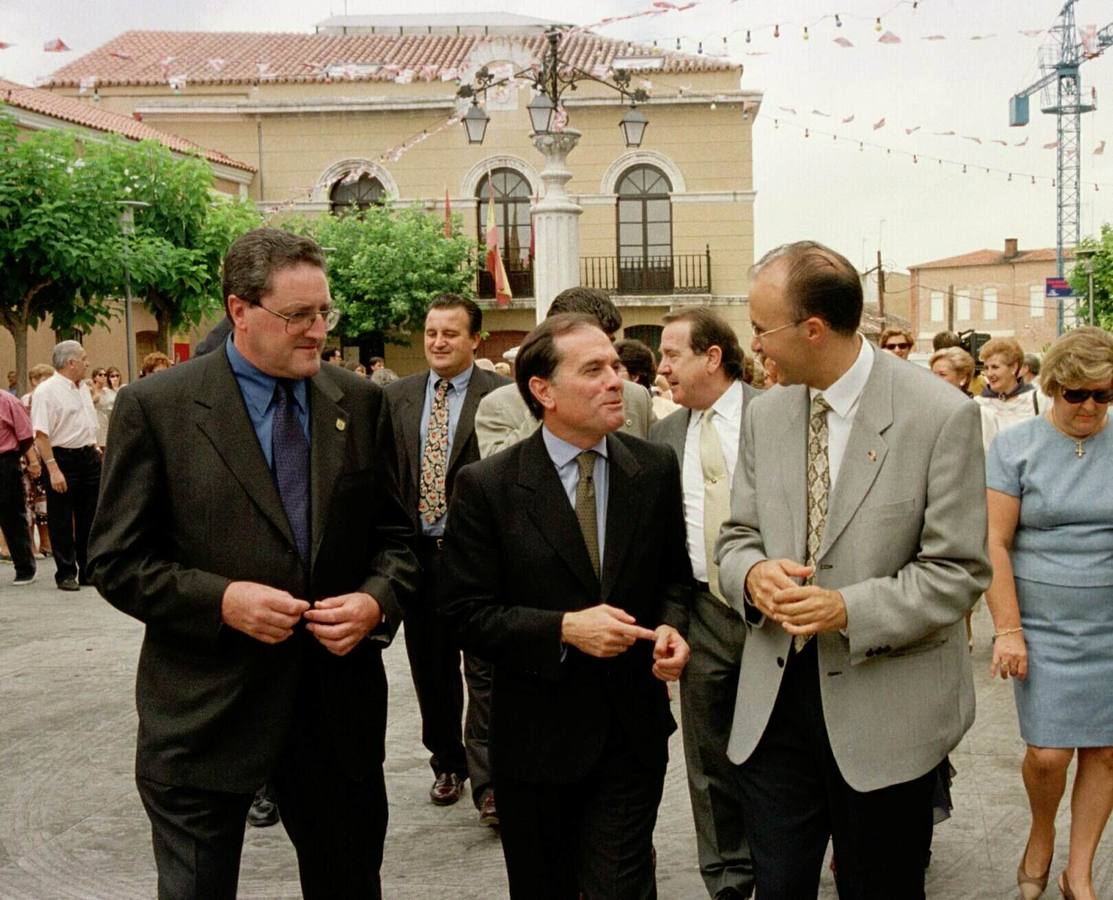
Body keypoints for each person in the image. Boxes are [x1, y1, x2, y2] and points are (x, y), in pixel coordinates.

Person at [87, 227, 418, 899]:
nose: (317, 331)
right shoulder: (158, 407)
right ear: (240, 310)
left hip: (334, 718)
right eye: (298, 316)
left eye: (325, 312)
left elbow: (399, 539)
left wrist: (376, 601)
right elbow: (116, 560)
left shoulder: (358, 402)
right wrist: (221, 601)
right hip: (204, 718)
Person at [716, 241, 990, 899]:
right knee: (778, 887)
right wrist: (751, 576)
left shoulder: (939, 414)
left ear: (812, 330)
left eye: (760, 329)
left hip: (886, 714)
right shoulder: (766, 412)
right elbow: (734, 539)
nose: (753, 346)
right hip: (773, 708)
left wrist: (847, 609)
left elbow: (956, 571)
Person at [439, 313, 692, 899]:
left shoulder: (651, 469)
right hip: (536, 742)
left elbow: (673, 581)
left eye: (616, 367)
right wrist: (562, 629)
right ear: (543, 391)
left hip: (631, 733)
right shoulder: (489, 486)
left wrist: (673, 631)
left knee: (620, 886)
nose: (616, 381)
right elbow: (464, 612)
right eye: (594, 370)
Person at [983, 326, 1113, 900]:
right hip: (1040, 625)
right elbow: (995, 543)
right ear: (1053, 387)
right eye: (1076, 394)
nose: (1089, 407)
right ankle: (1041, 834)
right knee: (1049, 753)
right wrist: (1007, 629)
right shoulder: (1015, 446)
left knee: (1107, 750)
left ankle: (1077, 871)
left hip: (1110, 625)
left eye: (1103, 396)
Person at [384, 294, 509, 824]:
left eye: (450, 334)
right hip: (419, 560)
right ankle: (447, 763)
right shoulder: (397, 397)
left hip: (479, 561)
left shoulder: (503, 397)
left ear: (475, 340)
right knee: (431, 669)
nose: (437, 342)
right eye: (432, 332)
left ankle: (490, 783)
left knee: (484, 671)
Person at [651, 308, 758, 900]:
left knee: (782, 751)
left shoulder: (777, 417)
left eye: (671, 355)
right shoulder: (665, 437)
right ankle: (729, 879)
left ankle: (782, 861)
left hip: (778, 615)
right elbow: (666, 544)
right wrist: (673, 621)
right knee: (709, 758)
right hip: (703, 612)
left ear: (712, 357)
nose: (661, 368)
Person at [474, 287, 653, 458]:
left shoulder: (636, 397)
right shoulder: (500, 406)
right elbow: (499, 477)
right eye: (587, 343)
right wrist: (546, 411)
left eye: (609, 341)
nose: (603, 351)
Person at [31, 341, 102, 592]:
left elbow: (87, 421)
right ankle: (65, 572)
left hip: (87, 455)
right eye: (83, 358)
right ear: (71, 362)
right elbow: (41, 434)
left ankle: (87, 569)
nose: (88, 362)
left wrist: (94, 448)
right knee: (61, 516)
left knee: (90, 516)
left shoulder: (83, 388)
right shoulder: (47, 391)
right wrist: (53, 468)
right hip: (62, 457)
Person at [0, 388, 37, 585]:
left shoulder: (8, 401)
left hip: (5, 461)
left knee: (12, 515)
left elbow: (25, 435)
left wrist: (15, 458)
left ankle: (24, 568)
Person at [930, 347, 999, 451]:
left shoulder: (982, 413)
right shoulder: (927, 412)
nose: (934, 379)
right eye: (933, 374)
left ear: (963, 378)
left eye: (942, 374)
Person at [976, 337, 1044, 432]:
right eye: (986, 368)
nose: (989, 374)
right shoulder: (978, 404)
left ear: (1013, 367)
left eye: (995, 367)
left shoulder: (1038, 400)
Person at [90, 367, 116, 447]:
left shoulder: (108, 391)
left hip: (107, 420)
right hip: (97, 420)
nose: (103, 377)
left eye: (105, 375)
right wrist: (94, 398)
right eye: (100, 375)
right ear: (95, 377)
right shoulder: (91, 390)